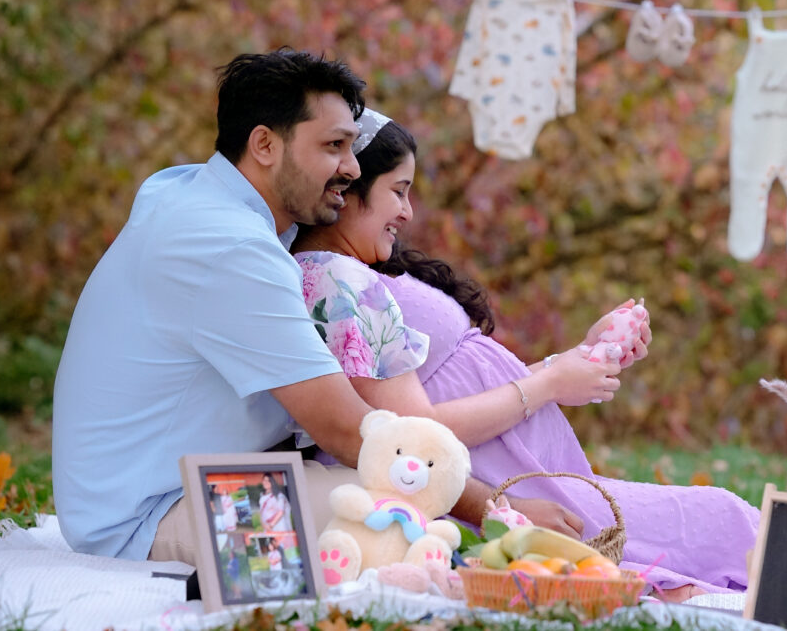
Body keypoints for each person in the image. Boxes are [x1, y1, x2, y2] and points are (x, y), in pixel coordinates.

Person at [290, 110, 787, 605]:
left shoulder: (364, 275)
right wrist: (543, 384)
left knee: (721, 521)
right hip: (499, 484)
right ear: (348, 186)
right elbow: (408, 432)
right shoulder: (336, 281)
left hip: (525, 461)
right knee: (725, 519)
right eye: (394, 190)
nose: (406, 209)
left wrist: (569, 360)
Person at [51, 49, 582, 566]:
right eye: (333, 146)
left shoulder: (190, 192)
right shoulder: (231, 249)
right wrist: (501, 509)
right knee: (407, 512)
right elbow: (349, 431)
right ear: (264, 144)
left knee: (411, 499)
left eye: (352, 148)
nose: (351, 169)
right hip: (149, 513)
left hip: (141, 490)